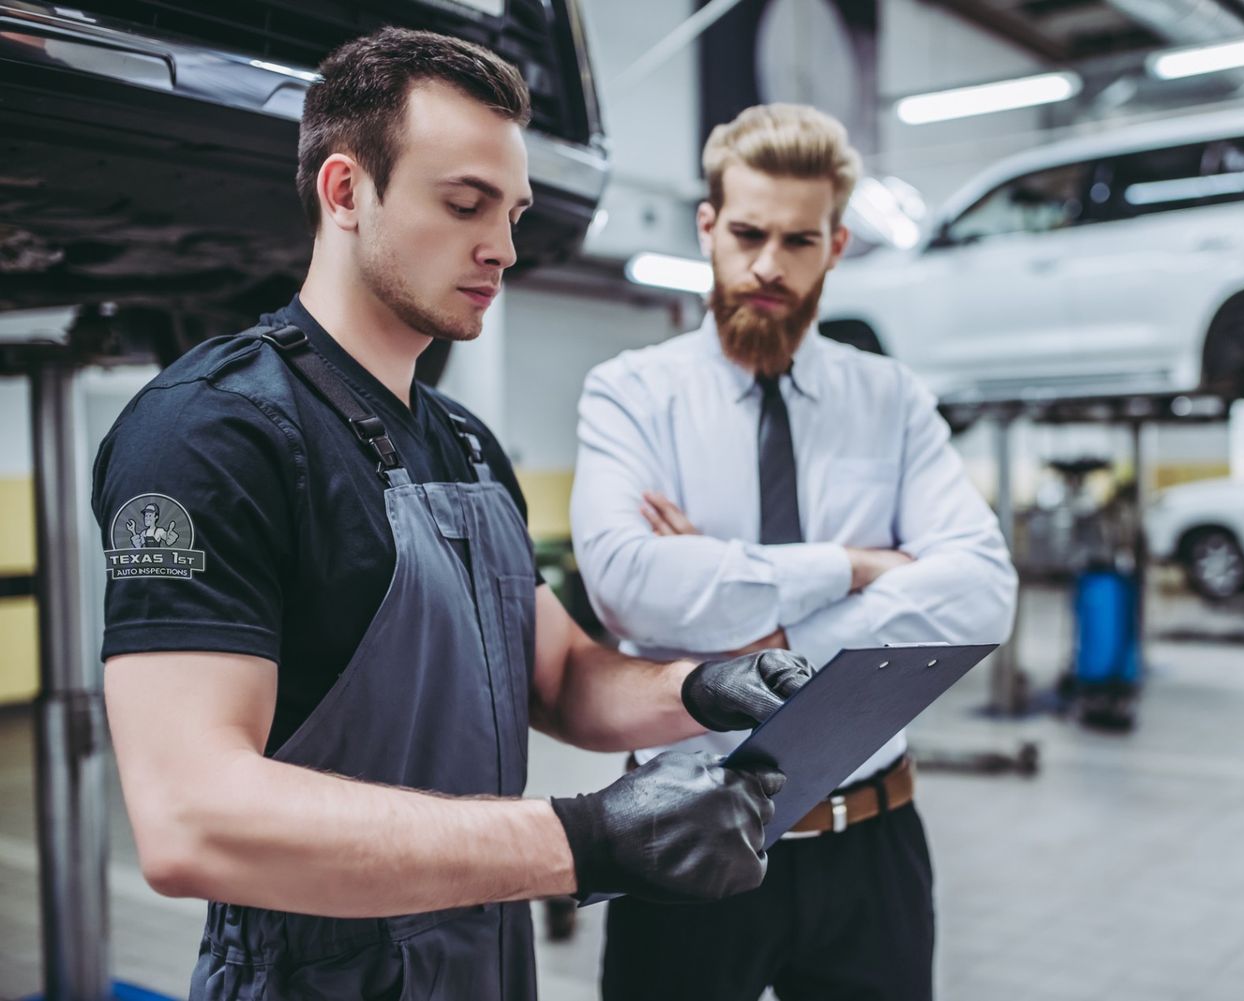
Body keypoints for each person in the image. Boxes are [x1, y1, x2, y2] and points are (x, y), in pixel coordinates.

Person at [93, 29, 812, 1000]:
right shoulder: (213, 432)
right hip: (317, 975)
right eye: (466, 203)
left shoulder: (466, 442)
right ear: (344, 192)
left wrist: (704, 685)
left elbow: (559, 677)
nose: (504, 247)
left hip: (482, 956)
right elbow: (190, 817)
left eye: (512, 213)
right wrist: (587, 837)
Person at [570, 103, 1019, 1001]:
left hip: (871, 840)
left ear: (837, 246)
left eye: (798, 241)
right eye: (746, 233)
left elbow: (981, 595)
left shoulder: (890, 399)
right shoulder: (630, 394)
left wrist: (734, 611)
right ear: (708, 227)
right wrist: (856, 564)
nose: (768, 266)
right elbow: (628, 586)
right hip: (687, 830)